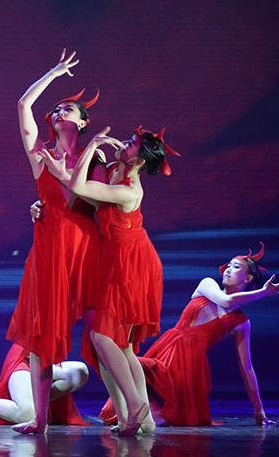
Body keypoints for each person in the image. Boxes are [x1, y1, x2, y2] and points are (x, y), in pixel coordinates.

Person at [5, 48, 101, 435]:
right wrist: (55, 73)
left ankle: (132, 410)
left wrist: (66, 176)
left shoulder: (94, 156)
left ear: (83, 121)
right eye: (57, 109)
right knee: (42, 330)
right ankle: (40, 418)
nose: (61, 112)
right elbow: (23, 105)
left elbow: (99, 201)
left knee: (100, 328)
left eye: (70, 109)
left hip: (83, 245)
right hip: (48, 245)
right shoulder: (40, 154)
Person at [100, 244, 279, 427]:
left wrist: (259, 410)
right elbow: (227, 301)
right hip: (166, 352)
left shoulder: (241, 323)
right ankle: (147, 412)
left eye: (236, 267)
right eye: (229, 265)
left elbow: (246, 368)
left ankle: (153, 414)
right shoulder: (207, 285)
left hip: (190, 368)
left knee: (148, 383)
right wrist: (263, 293)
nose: (228, 269)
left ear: (247, 278)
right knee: (126, 365)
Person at [68, 125, 179, 436]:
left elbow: (78, 186)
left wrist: (93, 144)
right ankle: (145, 419)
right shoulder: (114, 172)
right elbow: (86, 195)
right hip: (116, 261)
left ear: (139, 161)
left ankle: (135, 404)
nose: (124, 144)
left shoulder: (130, 189)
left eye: (130, 144)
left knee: (101, 336)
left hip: (131, 266)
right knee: (124, 346)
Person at [0, 343, 89, 426]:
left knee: (79, 372)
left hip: (45, 360)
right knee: (28, 416)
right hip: (25, 357)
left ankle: (32, 402)